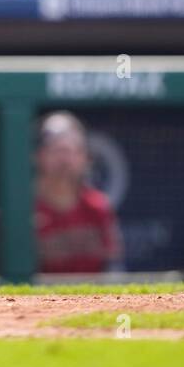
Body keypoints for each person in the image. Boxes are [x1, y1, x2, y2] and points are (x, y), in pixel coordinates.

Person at [33, 111, 122, 274]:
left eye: (73, 151)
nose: (65, 159)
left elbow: (113, 265)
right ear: (39, 155)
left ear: (85, 158)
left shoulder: (97, 206)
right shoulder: (24, 208)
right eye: (56, 150)